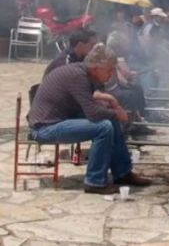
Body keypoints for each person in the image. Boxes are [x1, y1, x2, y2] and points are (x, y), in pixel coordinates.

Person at [28, 44, 152, 194]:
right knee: (104, 127)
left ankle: (122, 173)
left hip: (61, 119)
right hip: (45, 128)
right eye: (109, 69)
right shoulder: (77, 76)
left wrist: (110, 100)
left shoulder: (85, 72)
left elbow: (88, 98)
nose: (112, 73)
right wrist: (117, 114)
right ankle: (95, 181)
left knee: (110, 121)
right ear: (95, 68)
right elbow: (92, 112)